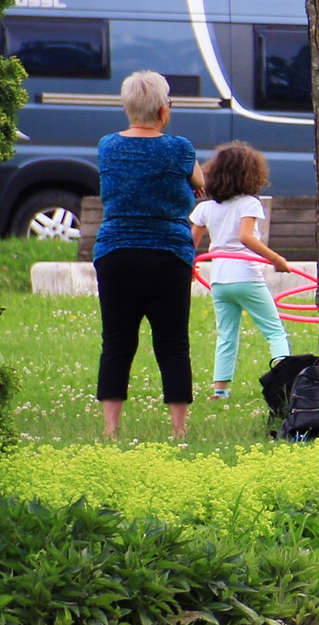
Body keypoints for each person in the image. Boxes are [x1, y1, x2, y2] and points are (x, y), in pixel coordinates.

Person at [93, 70, 206, 439]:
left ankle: (111, 429)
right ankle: (178, 430)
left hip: (116, 252)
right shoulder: (179, 148)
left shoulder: (107, 145)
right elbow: (200, 183)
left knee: (116, 341)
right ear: (163, 111)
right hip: (167, 254)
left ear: (127, 108)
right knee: (173, 343)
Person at [191, 142, 293, 401]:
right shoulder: (249, 203)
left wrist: (190, 265)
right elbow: (246, 237)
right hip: (246, 277)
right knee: (274, 331)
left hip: (220, 281)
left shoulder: (206, 207)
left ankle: (220, 391)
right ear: (251, 175)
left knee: (226, 335)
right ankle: (285, 386)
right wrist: (276, 258)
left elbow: (189, 244)